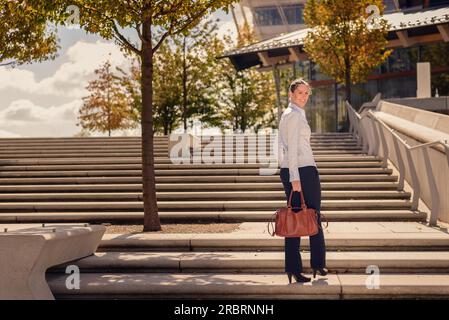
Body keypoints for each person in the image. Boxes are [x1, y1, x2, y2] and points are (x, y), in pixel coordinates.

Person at [278, 78, 328, 283]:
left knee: (298, 218)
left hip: (300, 170)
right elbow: (289, 149)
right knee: (309, 216)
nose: (304, 97)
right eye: (300, 93)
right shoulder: (293, 116)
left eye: (307, 93)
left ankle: (303, 267)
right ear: (291, 93)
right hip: (300, 171)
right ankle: (311, 265)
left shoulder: (294, 114)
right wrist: (295, 179)